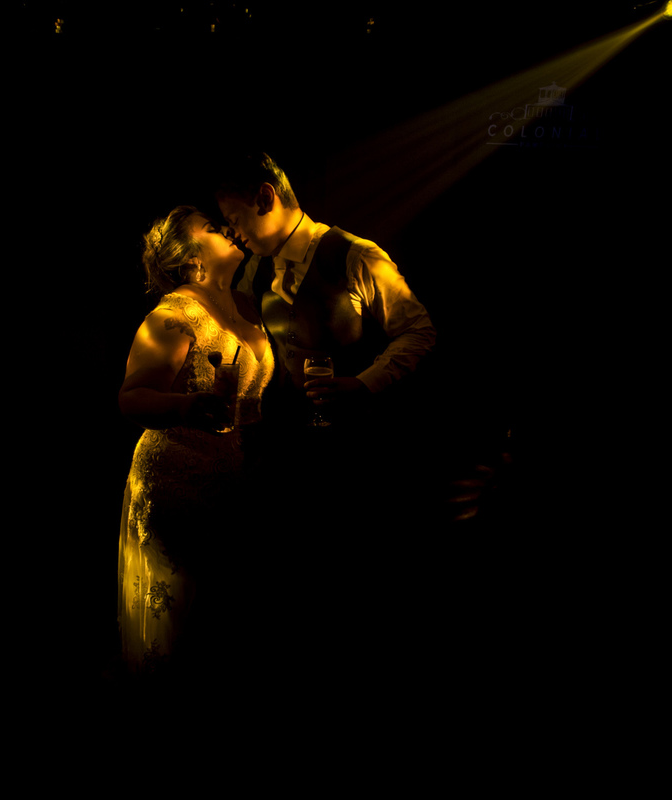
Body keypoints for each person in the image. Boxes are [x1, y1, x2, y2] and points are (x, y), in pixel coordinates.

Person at [215, 152, 437, 677]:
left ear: (265, 197)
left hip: (362, 456)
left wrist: (363, 383)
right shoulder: (254, 271)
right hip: (291, 457)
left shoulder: (357, 255)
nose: (231, 232)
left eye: (234, 217)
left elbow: (419, 330)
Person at [116, 205, 273, 684]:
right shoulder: (172, 316)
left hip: (236, 488)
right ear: (191, 257)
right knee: (179, 641)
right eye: (210, 226)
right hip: (175, 485)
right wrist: (186, 407)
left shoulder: (248, 305)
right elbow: (131, 398)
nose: (226, 228)